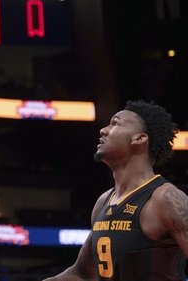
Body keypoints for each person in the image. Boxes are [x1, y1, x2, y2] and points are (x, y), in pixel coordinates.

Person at [44, 100, 188, 281]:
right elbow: (82, 273)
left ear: (139, 139)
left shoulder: (165, 199)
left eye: (115, 123)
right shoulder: (103, 201)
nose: (103, 130)